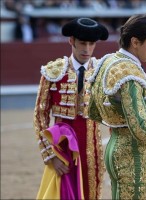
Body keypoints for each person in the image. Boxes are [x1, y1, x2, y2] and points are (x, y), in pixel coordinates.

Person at [89, 12, 146, 199]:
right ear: (135, 42)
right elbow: (142, 128)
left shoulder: (108, 61)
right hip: (131, 155)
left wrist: (117, 121)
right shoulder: (129, 73)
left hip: (114, 147)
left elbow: (94, 110)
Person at [33, 17, 109, 199]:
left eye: (92, 44)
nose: (87, 49)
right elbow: (40, 114)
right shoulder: (53, 72)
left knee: (91, 193)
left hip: (92, 148)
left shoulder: (102, 71)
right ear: (71, 41)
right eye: (83, 43)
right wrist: (50, 154)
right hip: (63, 149)